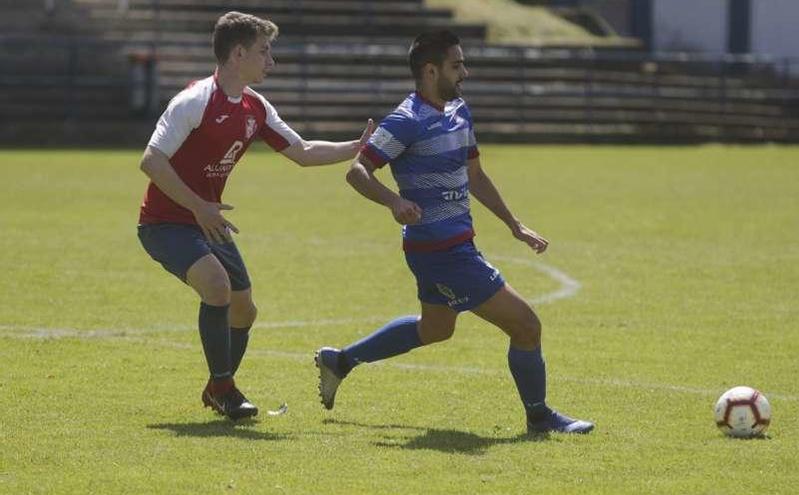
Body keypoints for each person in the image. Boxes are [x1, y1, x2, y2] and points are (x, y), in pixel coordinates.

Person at [315, 30, 594, 434]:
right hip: (442, 252)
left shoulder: (459, 110)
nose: (466, 72)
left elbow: (475, 175)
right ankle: (540, 418)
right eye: (457, 64)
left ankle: (339, 361)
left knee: (435, 329)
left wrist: (513, 224)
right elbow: (358, 171)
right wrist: (394, 201)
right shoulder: (405, 121)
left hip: (451, 246)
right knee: (526, 325)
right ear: (431, 71)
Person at [137, 11, 373, 420]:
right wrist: (199, 205)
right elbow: (151, 161)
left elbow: (301, 152)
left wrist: (357, 146)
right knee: (217, 287)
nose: (271, 61)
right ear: (238, 54)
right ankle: (227, 390)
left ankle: (216, 388)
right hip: (164, 222)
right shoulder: (194, 101)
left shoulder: (255, 107)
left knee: (245, 310)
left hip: (207, 220)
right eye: (264, 52)